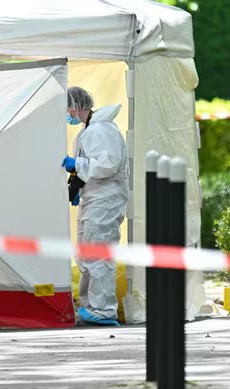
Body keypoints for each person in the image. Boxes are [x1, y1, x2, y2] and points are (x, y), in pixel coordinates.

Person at [62, 86, 128, 327]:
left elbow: (108, 165)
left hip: (105, 201)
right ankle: (90, 306)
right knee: (87, 254)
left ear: (75, 106)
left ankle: (103, 310)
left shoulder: (101, 129)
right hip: (94, 200)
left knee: (99, 256)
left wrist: (76, 164)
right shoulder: (88, 130)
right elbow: (92, 163)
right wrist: (77, 183)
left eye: (66, 108)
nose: (66, 114)